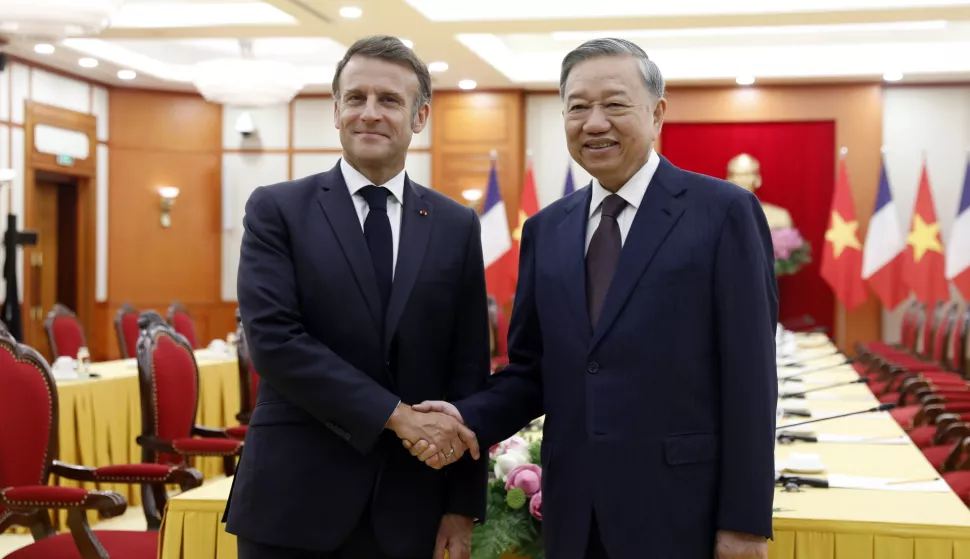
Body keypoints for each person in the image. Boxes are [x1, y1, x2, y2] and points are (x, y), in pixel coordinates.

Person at [406, 38, 778, 559]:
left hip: (681, 511)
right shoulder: (546, 228)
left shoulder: (723, 213)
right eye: (577, 107)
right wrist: (466, 418)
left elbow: (751, 378)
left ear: (657, 113)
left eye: (615, 104)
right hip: (574, 514)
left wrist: (744, 522)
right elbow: (533, 369)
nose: (594, 121)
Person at [225, 35, 489, 559]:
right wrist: (397, 415)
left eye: (389, 100)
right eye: (356, 98)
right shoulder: (278, 210)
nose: (370, 113)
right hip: (292, 504)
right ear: (337, 109)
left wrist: (462, 506)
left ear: (419, 117)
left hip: (411, 508)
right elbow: (276, 344)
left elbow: (468, 373)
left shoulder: (455, 225)